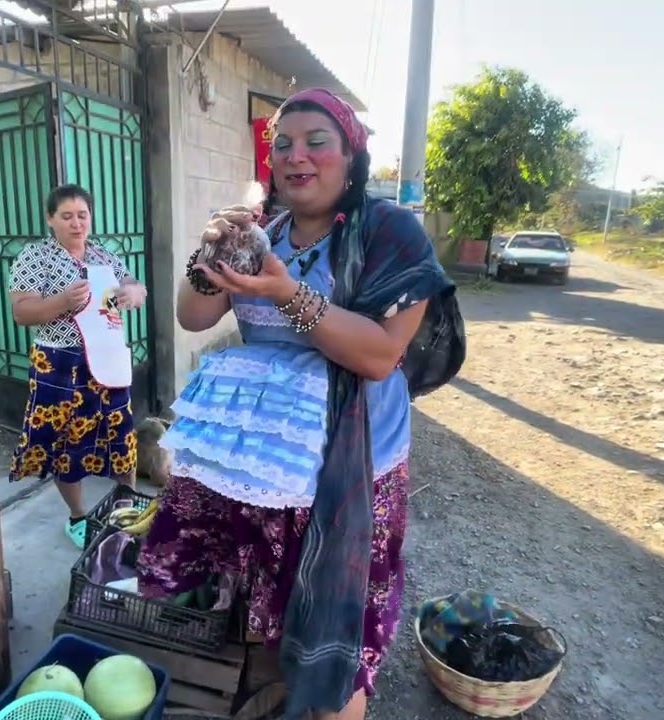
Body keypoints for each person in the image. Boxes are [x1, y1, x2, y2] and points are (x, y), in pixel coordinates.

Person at [136, 88, 454, 720]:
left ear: (351, 155)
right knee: (277, 610)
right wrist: (210, 257)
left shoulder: (391, 234)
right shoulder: (265, 232)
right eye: (282, 144)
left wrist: (286, 292)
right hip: (266, 471)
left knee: (334, 636)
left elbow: (379, 355)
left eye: (317, 142)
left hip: (348, 475)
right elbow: (194, 315)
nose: (296, 156)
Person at [7, 184, 147, 548]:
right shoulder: (35, 258)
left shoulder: (103, 256)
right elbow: (22, 312)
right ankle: (78, 517)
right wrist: (62, 302)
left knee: (121, 432)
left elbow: (133, 284)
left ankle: (125, 506)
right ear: (50, 219)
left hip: (108, 358)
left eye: (82, 215)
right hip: (60, 363)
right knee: (68, 444)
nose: (76, 223)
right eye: (66, 216)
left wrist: (133, 291)